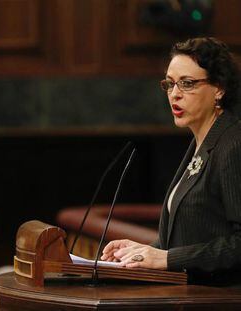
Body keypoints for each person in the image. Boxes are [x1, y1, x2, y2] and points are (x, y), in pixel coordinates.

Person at [101, 37, 241, 283]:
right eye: (170, 84)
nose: (174, 94)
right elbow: (194, 235)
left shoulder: (233, 145)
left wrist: (165, 259)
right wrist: (142, 251)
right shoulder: (201, 142)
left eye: (187, 84)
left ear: (219, 88)